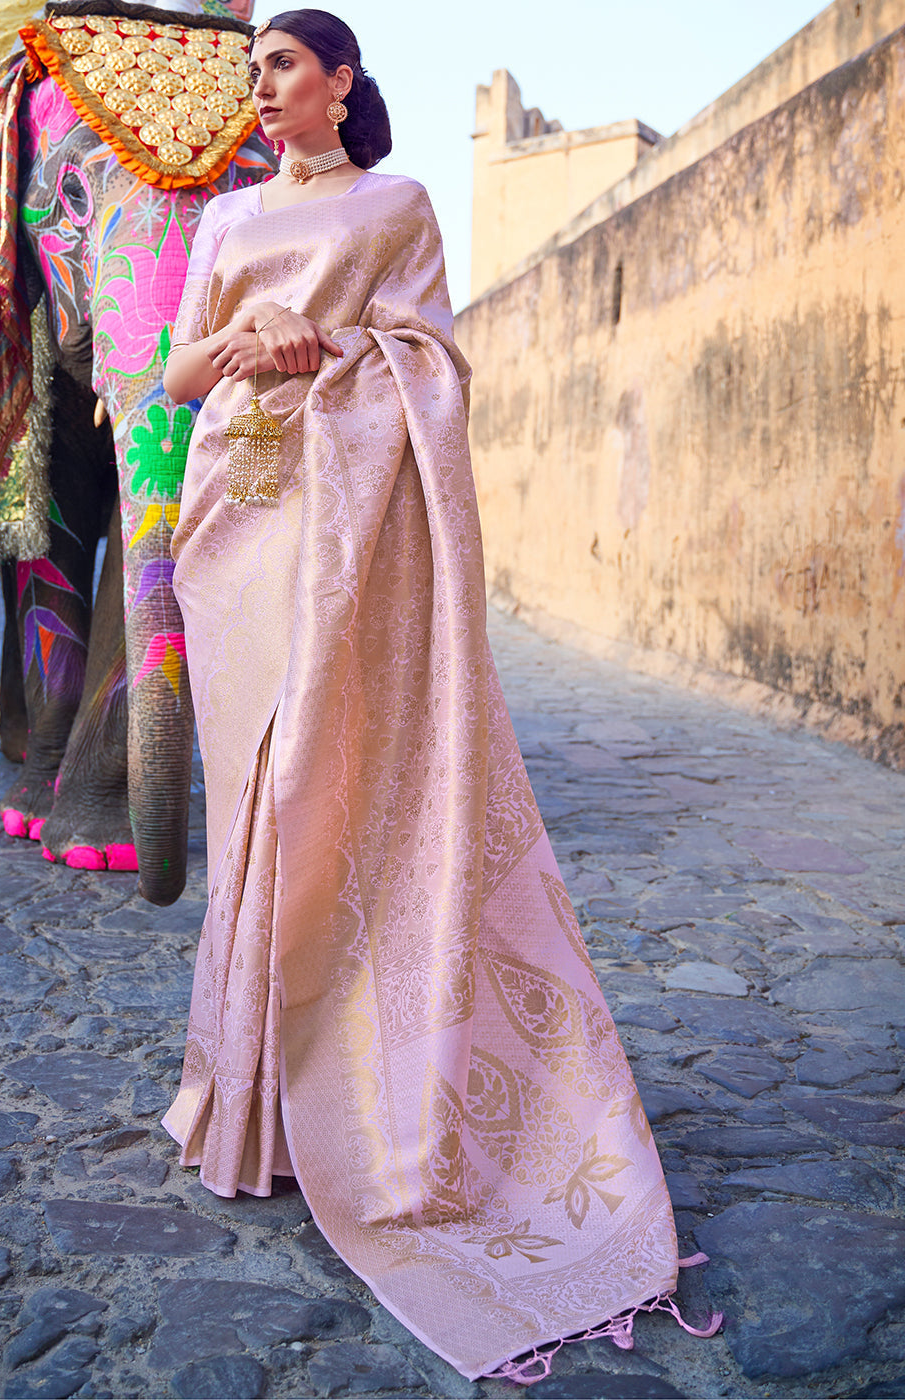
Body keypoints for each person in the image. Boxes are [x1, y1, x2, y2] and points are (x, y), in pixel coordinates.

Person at [162, 9, 719, 1381]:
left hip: (353, 536)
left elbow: (436, 367)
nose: (265, 89)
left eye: (283, 64)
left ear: (342, 79)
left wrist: (332, 347)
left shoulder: (398, 206)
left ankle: (362, 1105)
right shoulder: (227, 224)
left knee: (325, 789)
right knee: (250, 803)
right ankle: (252, 1111)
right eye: (256, 73)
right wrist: (249, 347)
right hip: (248, 525)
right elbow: (173, 374)